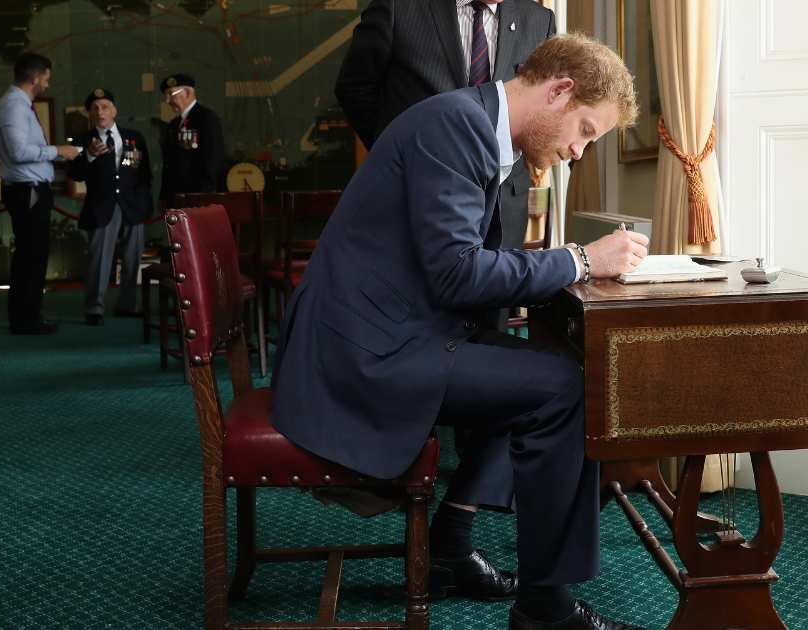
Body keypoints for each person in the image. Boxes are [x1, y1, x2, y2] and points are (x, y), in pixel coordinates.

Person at [272, 34, 647, 630]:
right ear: (559, 90)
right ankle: (544, 607)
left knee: (537, 369)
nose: (579, 151)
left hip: (389, 324)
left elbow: (452, 265)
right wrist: (579, 260)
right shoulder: (456, 127)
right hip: (364, 348)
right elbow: (456, 273)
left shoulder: (473, 124)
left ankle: (452, 538)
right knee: (563, 387)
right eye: (584, 131)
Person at [335, 0, 555, 252]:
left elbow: (544, 110)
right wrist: (398, 152)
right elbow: (354, 89)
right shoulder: (398, 6)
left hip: (502, 208)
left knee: (492, 287)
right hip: (411, 197)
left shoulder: (540, 21)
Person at [0, 52, 81, 335]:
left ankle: (27, 316)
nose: (48, 84)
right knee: (32, 255)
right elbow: (18, 153)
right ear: (34, 77)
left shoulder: (18, 104)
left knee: (32, 254)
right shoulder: (14, 107)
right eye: (46, 78)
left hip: (29, 189)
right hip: (26, 191)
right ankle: (26, 320)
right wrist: (59, 152)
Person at [67, 88, 153, 326]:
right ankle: (95, 307)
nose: (100, 111)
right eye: (94, 108)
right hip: (101, 207)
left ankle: (127, 304)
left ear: (114, 110)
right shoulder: (83, 140)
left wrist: (145, 204)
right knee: (99, 260)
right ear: (89, 114)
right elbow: (75, 174)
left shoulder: (134, 137)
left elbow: (145, 175)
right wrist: (90, 156)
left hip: (132, 206)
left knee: (132, 259)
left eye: (105, 106)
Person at [158, 73, 224, 208]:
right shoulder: (174, 124)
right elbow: (169, 164)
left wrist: (203, 197)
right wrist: (164, 197)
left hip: (197, 199)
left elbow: (213, 160)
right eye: (166, 95)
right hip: (177, 199)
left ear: (187, 92)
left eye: (171, 94)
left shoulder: (206, 118)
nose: (167, 100)